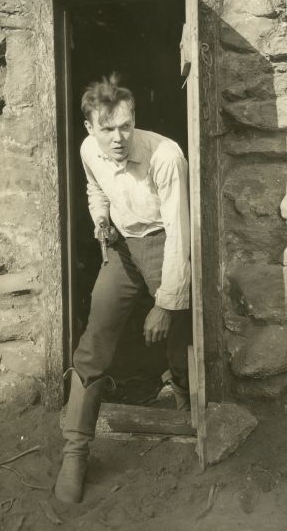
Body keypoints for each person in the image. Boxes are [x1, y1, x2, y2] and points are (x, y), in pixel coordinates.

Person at [54, 74, 191, 504]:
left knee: (179, 339)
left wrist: (166, 304)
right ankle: (75, 453)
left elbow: (181, 232)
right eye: (107, 128)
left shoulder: (165, 156)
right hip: (122, 248)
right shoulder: (88, 150)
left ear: (135, 120)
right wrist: (101, 219)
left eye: (126, 126)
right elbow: (96, 188)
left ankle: (186, 405)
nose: (118, 138)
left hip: (166, 242)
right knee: (94, 342)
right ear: (90, 128)